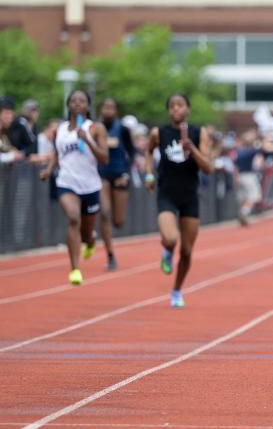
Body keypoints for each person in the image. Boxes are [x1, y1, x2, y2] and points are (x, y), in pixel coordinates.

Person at [144, 93, 213, 308]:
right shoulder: (159, 133)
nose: (176, 109)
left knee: (186, 251)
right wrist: (148, 174)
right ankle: (166, 250)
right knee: (171, 238)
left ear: (188, 109)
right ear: (168, 111)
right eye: (172, 106)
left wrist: (190, 148)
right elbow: (148, 151)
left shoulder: (198, 132)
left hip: (189, 195)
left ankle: (176, 290)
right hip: (167, 192)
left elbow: (208, 168)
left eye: (180, 105)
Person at [38, 90, 109, 285]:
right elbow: (56, 153)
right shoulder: (60, 129)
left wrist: (87, 140)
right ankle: (75, 269)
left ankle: (91, 240)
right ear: (68, 105)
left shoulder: (95, 128)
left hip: (90, 186)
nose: (78, 104)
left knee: (86, 233)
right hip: (66, 183)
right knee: (72, 218)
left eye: (82, 101)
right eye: (74, 101)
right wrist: (48, 169)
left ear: (88, 106)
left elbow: (104, 158)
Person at [96, 98, 135, 270]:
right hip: (100, 175)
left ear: (116, 111)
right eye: (105, 107)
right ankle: (110, 255)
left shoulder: (123, 129)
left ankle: (112, 230)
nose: (108, 111)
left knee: (118, 221)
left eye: (111, 108)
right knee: (104, 213)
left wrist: (126, 173)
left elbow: (132, 153)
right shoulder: (95, 128)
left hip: (119, 175)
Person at [235, 130, 263, 226]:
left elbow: (235, 166)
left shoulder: (238, 151)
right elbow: (262, 149)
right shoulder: (250, 151)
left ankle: (243, 216)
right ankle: (244, 212)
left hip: (240, 176)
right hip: (249, 176)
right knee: (253, 196)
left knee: (243, 197)